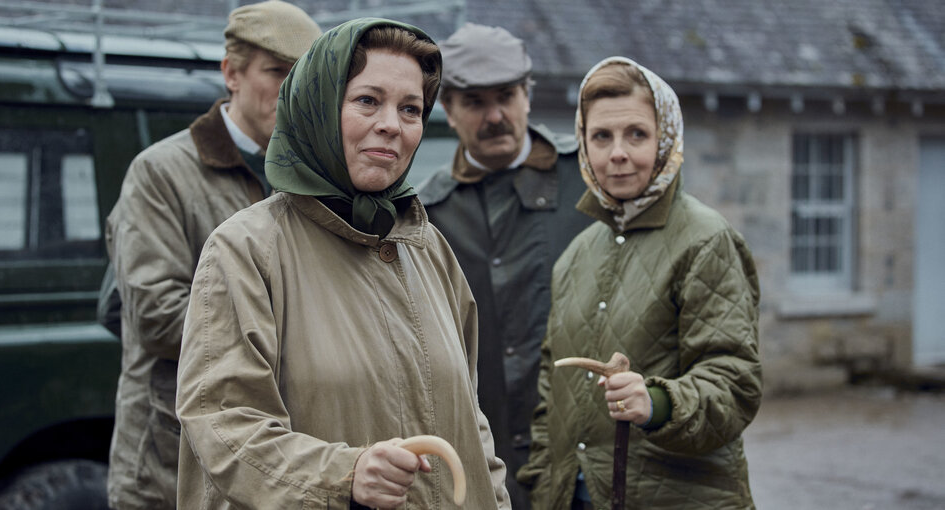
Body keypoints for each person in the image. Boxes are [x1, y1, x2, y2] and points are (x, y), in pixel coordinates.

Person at [175, 19, 511, 509]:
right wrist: (343, 475)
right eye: (367, 101)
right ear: (318, 107)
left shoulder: (429, 248)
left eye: (411, 109)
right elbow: (224, 426)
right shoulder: (245, 250)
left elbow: (470, 419)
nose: (391, 125)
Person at [516, 56, 762, 509]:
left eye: (637, 134)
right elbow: (552, 392)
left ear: (666, 137)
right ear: (584, 145)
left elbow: (734, 383)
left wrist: (658, 403)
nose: (618, 153)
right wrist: (543, 484)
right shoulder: (576, 255)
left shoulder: (706, 241)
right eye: (601, 137)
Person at [103, 3, 320, 508]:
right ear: (231, 74)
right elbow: (155, 316)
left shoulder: (316, 178)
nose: (292, 91)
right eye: (276, 72)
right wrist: (304, 333)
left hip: (281, 462)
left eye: (304, 77)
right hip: (171, 466)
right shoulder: (161, 173)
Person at [416, 22, 593, 510]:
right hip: (481, 465)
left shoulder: (590, 182)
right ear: (448, 110)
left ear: (528, 96)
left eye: (506, 96)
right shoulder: (426, 215)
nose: (495, 116)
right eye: (475, 102)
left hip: (582, 464)